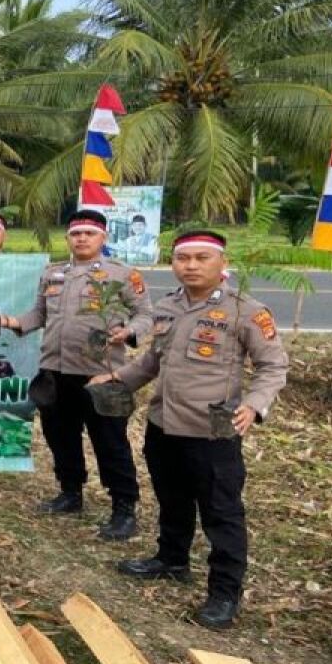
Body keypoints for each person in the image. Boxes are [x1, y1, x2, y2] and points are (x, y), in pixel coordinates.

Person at [89, 230, 288, 629]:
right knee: (172, 497)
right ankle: (171, 558)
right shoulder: (167, 308)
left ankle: (224, 593)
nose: (191, 266)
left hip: (213, 430)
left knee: (221, 513)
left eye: (201, 258)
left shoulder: (244, 311)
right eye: (183, 259)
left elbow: (273, 366)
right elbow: (151, 363)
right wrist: (116, 379)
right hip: (165, 425)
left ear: (221, 263)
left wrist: (253, 405)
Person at [0, 209, 153, 540]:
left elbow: (146, 314)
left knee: (109, 442)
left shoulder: (121, 275)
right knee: (60, 435)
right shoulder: (54, 273)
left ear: (103, 238)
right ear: (68, 238)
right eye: (76, 233)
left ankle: (123, 508)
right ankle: (70, 492)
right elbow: (39, 314)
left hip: (99, 374)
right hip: (55, 370)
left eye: (89, 233)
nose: (81, 238)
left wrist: (128, 332)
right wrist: (13, 322)